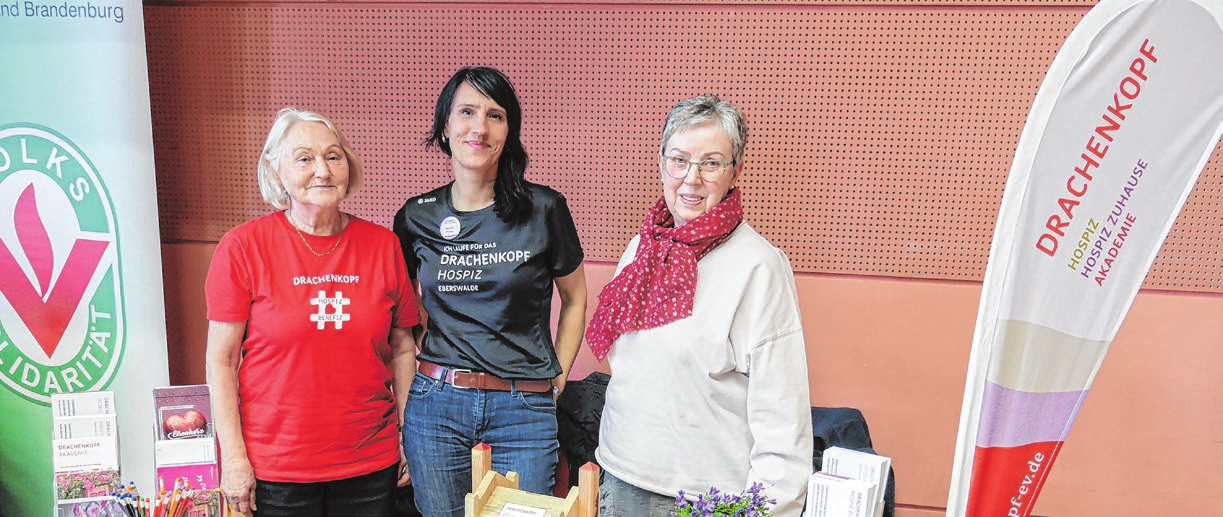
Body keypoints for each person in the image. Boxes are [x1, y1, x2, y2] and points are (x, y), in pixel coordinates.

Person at [586, 95, 813, 516]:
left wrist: (767, 507)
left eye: (711, 163)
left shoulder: (759, 265)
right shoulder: (643, 248)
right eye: (679, 160)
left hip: (706, 497)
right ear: (662, 165)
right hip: (622, 477)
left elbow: (783, 410)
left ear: (735, 172)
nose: (691, 178)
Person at [392, 66, 588, 516]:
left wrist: (557, 376)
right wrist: (426, 344)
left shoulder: (545, 208)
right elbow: (403, 305)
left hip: (522, 410)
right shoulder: (416, 216)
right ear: (446, 126)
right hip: (436, 407)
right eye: (466, 112)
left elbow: (575, 299)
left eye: (494, 115)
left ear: (508, 130)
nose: (479, 127)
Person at [205, 108, 419, 516]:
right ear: (277, 172)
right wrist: (233, 458)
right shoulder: (242, 247)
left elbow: (404, 347)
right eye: (304, 158)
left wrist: (410, 435)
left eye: (333, 156)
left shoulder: (383, 245)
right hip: (277, 468)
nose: (322, 170)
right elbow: (221, 361)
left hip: (370, 462)